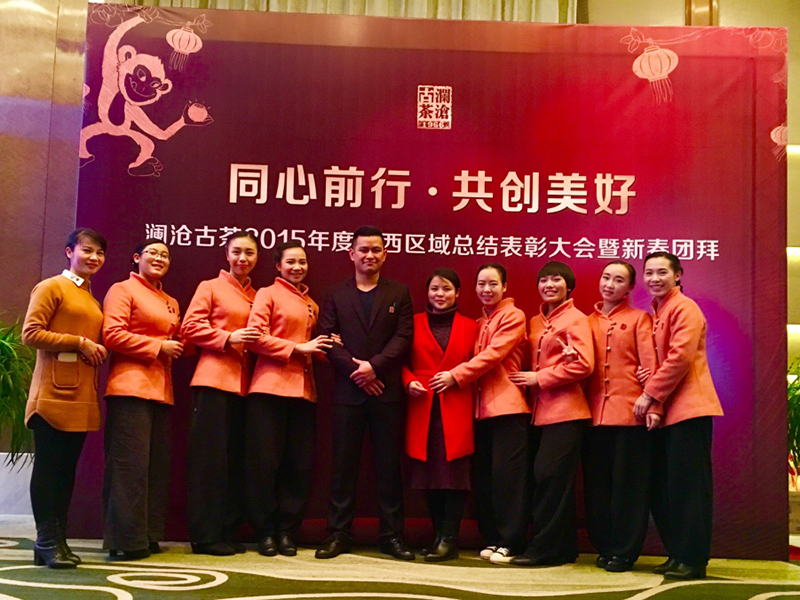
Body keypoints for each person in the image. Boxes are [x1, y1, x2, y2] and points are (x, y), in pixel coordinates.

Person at [315, 226, 414, 560]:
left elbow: (403, 337)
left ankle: (392, 536)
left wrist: (375, 367)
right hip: (348, 392)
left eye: (376, 250)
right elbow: (327, 338)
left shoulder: (399, 292)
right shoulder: (335, 293)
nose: (369, 255)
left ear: (384, 255)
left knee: (388, 466)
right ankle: (338, 533)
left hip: (386, 391)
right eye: (363, 250)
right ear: (351, 254)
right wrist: (359, 373)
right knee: (343, 466)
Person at [430, 263, 529, 564]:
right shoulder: (479, 321)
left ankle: (511, 542)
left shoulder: (513, 315)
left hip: (508, 408)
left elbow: (492, 355)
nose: (487, 289)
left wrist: (455, 375)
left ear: (505, 287)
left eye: (493, 284)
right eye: (481, 284)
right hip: (479, 411)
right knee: (485, 480)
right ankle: (493, 537)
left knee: (507, 480)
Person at [22, 228, 109, 568]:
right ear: (69, 251)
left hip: (81, 392)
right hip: (52, 393)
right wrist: (80, 342)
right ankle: (46, 539)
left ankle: (55, 540)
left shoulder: (90, 296)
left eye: (99, 253)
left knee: (66, 471)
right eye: (87, 250)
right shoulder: (51, 287)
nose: (94, 257)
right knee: (49, 468)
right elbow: (32, 333)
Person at [636, 251, 723, 580]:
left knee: (690, 489)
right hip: (671, 411)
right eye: (649, 273)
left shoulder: (685, 308)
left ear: (678, 275)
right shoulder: (658, 311)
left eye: (662, 272)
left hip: (690, 409)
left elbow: (680, 358)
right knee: (672, 488)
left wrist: (649, 394)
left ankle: (693, 559)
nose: (654, 278)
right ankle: (679, 554)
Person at [246, 241, 335, 557]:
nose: (297, 267)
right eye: (291, 262)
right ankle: (265, 532)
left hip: (303, 392)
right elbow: (254, 337)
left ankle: (286, 531)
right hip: (269, 389)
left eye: (302, 262)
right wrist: (297, 348)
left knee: (298, 467)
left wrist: (329, 347)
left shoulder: (312, 303)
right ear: (278, 266)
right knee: (264, 465)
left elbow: (313, 350)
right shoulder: (267, 293)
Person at [102, 238, 184, 560]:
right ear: (136, 258)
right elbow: (112, 335)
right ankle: (124, 541)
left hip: (161, 391)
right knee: (129, 467)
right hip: (130, 387)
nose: (159, 258)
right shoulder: (122, 290)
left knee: (155, 468)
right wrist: (158, 346)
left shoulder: (171, 301)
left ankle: (148, 535)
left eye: (165, 255)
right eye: (152, 253)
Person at [508, 261, 593, 567]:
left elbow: (584, 364)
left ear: (569, 286)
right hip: (539, 413)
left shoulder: (576, 319)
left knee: (550, 478)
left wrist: (539, 378)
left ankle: (545, 549)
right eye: (544, 280)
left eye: (556, 280)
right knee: (548, 481)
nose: (549, 285)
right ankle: (563, 548)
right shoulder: (535, 320)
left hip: (567, 412)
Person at [181, 231, 260, 556]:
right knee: (209, 462)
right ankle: (205, 535)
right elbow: (189, 327)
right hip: (213, 381)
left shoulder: (257, 294)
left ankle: (226, 530)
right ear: (226, 255)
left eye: (249, 253)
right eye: (237, 252)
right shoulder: (210, 287)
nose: (243, 258)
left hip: (245, 387)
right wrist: (229, 337)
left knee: (233, 462)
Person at [582, 261, 661, 573]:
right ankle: (604, 545)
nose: (609, 284)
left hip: (631, 416)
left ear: (629, 288)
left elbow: (651, 365)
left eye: (618, 280)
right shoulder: (586, 321)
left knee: (629, 488)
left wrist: (654, 406)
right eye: (606, 277)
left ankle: (625, 551)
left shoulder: (640, 318)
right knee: (597, 487)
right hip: (592, 418)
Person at [402, 268, 477, 562]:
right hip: (422, 406)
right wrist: (408, 381)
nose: (440, 294)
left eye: (446, 289)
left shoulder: (471, 326)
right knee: (428, 476)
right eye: (434, 288)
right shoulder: (412, 322)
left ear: (457, 293)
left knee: (454, 476)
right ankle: (437, 537)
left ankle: (449, 539)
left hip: (457, 404)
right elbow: (399, 360)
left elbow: (479, 364)